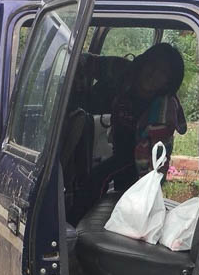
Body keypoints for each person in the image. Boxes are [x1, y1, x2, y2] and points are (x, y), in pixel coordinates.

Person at [68, 42, 186, 223]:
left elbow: (157, 159)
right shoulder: (122, 71)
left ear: (169, 81)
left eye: (163, 73)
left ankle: (74, 225)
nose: (154, 74)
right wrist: (77, 85)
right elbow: (84, 62)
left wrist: (147, 191)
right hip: (120, 146)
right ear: (144, 61)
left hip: (141, 159)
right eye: (152, 65)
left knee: (99, 179)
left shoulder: (163, 109)